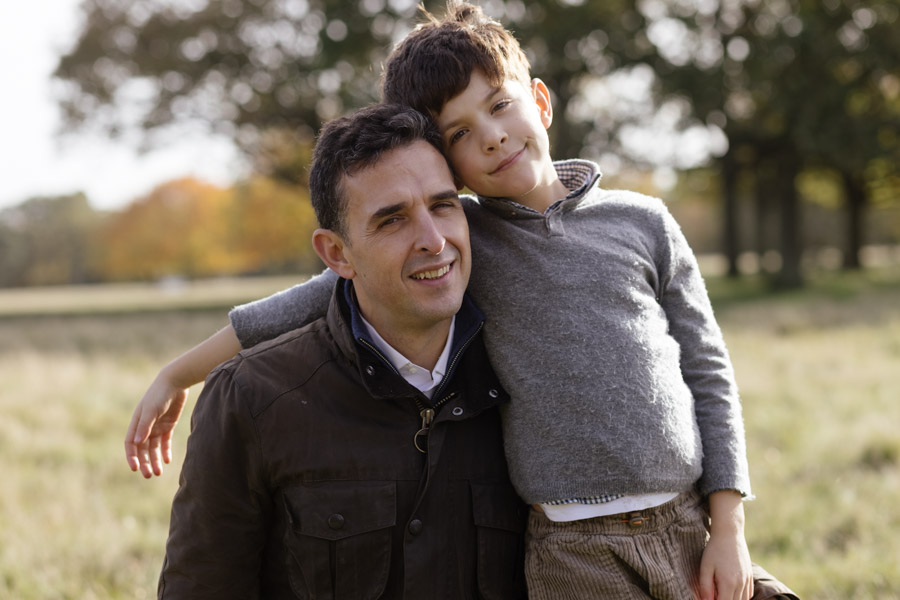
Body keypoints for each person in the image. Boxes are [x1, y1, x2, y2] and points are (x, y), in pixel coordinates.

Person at [134, 3, 798, 599]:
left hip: (685, 519)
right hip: (572, 548)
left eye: (500, 105)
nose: (491, 135)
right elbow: (313, 298)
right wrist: (177, 373)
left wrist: (728, 523)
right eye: (457, 133)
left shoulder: (643, 223)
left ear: (540, 100)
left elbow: (707, 370)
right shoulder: (468, 234)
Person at [157, 103, 528, 599]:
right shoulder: (252, 398)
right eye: (392, 220)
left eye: (443, 205)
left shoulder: (527, 382)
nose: (434, 241)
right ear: (337, 253)